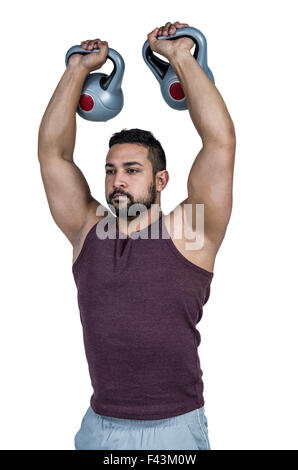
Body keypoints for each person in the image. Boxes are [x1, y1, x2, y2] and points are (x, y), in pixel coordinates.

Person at [38, 21, 236, 450]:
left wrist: (182, 56)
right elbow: (53, 154)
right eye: (110, 171)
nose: (117, 181)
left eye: (131, 170)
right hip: (99, 429)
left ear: (161, 180)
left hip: (175, 430)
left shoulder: (191, 231)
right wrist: (77, 69)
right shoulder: (87, 231)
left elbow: (219, 143)